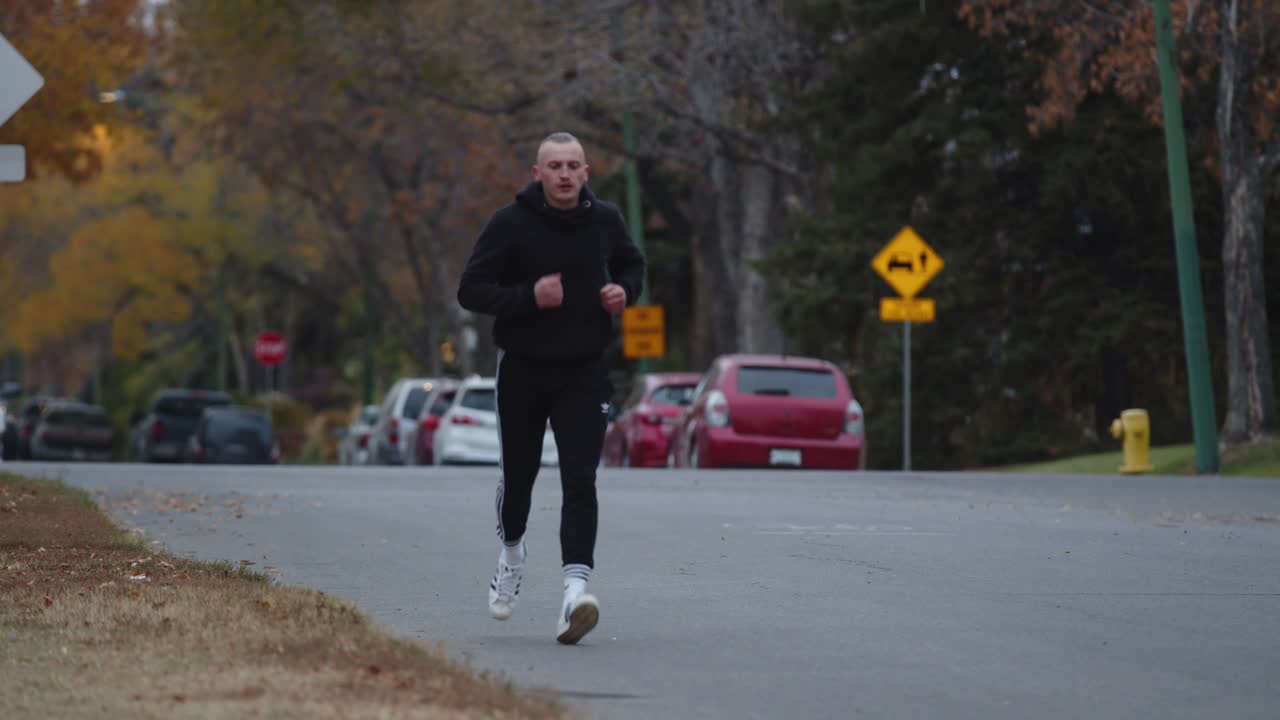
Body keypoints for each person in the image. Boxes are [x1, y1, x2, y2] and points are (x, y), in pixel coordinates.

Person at [457, 131, 645, 644]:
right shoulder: (509, 223)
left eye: (574, 165)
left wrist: (622, 291)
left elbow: (632, 263)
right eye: (555, 166)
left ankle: (572, 597)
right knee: (518, 481)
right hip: (523, 368)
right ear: (537, 174)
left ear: (587, 172)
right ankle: (512, 555)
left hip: (584, 371)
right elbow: (471, 288)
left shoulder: (605, 220)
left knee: (580, 479)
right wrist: (528, 297)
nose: (565, 174)